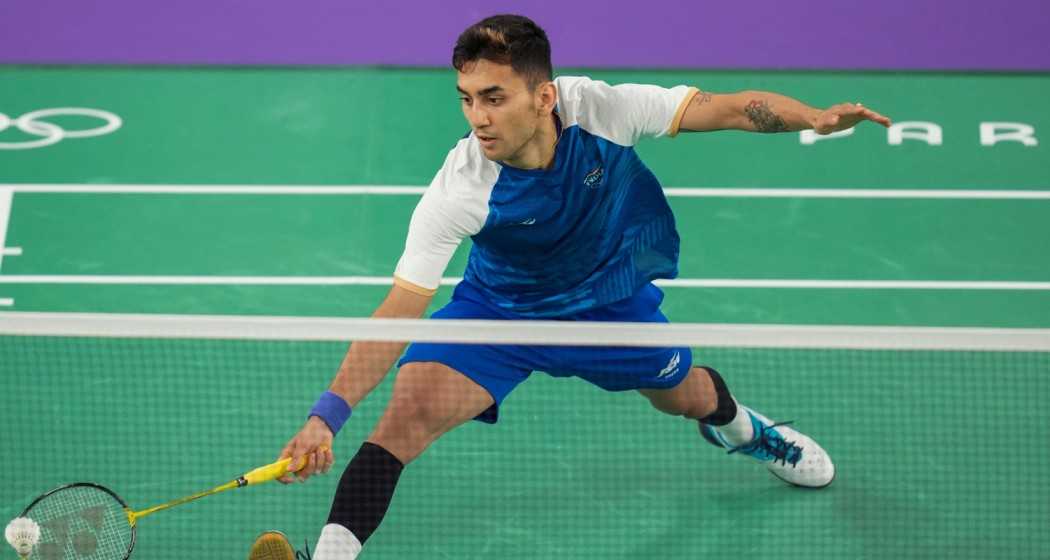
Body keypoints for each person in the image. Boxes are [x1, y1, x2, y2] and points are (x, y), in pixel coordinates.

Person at [252, 13, 892, 560]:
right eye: (467, 97)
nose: (478, 116)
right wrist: (324, 416)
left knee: (687, 396)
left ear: (545, 97)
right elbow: (400, 308)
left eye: (494, 97)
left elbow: (723, 109)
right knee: (404, 419)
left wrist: (813, 117)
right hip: (500, 313)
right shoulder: (462, 185)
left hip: (608, 303)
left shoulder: (603, 111)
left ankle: (744, 429)